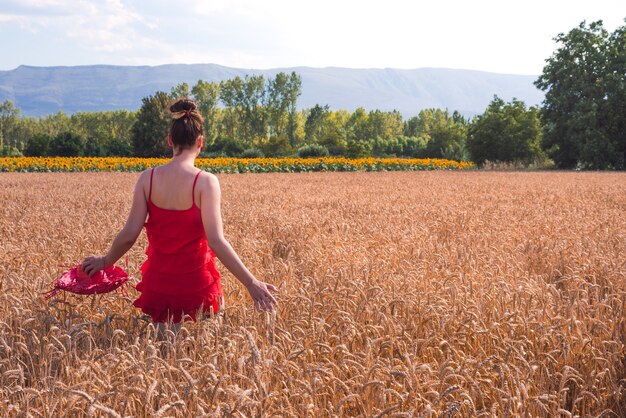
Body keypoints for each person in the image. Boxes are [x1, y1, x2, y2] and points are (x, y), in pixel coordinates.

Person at [81, 98, 277, 333]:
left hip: (160, 290)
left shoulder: (147, 179)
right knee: (201, 359)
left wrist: (105, 261)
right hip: (199, 290)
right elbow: (216, 241)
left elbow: (128, 236)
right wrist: (251, 283)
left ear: (170, 140)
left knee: (161, 362)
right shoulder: (205, 182)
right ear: (200, 142)